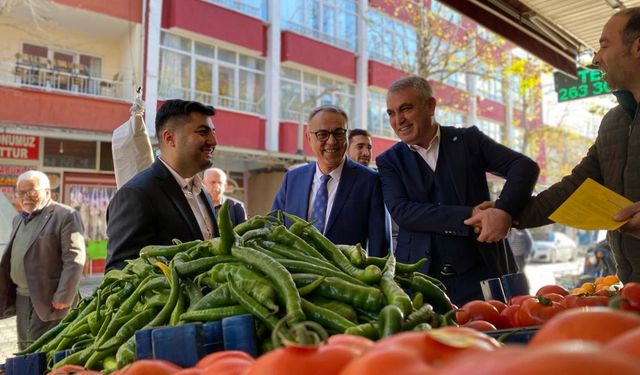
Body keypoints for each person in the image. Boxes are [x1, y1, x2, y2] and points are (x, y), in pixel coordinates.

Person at [376, 76, 539, 305]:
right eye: (391, 113)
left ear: (430, 106)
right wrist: (471, 214)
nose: (398, 120)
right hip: (422, 280)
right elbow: (402, 212)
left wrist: (503, 210)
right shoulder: (389, 161)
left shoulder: (468, 140)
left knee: (497, 337)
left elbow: (524, 167)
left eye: (405, 108)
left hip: (484, 273)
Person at [507, 8, 640, 283]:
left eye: (604, 45)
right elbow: (575, 188)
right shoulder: (613, 122)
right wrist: (507, 212)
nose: (595, 59)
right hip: (632, 288)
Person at [106, 99, 219, 270]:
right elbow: (120, 273)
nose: (213, 141)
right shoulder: (136, 195)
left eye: (213, 132)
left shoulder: (203, 192)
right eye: (203, 132)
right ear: (170, 138)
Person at [272, 104, 388, 256]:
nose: (332, 141)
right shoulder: (292, 179)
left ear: (347, 135)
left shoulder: (370, 182)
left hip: (347, 278)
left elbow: (379, 243)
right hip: (293, 277)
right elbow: (273, 228)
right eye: (322, 134)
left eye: (339, 133)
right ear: (309, 138)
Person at [0, 170, 85, 350]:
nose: (26, 197)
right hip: (22, 297)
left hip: (50, 299)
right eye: (21, 193)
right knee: (25, 348)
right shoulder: (18, 219)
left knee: (43, 351)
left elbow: (74, 259)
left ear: (48, 192)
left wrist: (64, 296)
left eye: (32, 191)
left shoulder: (65, 215)